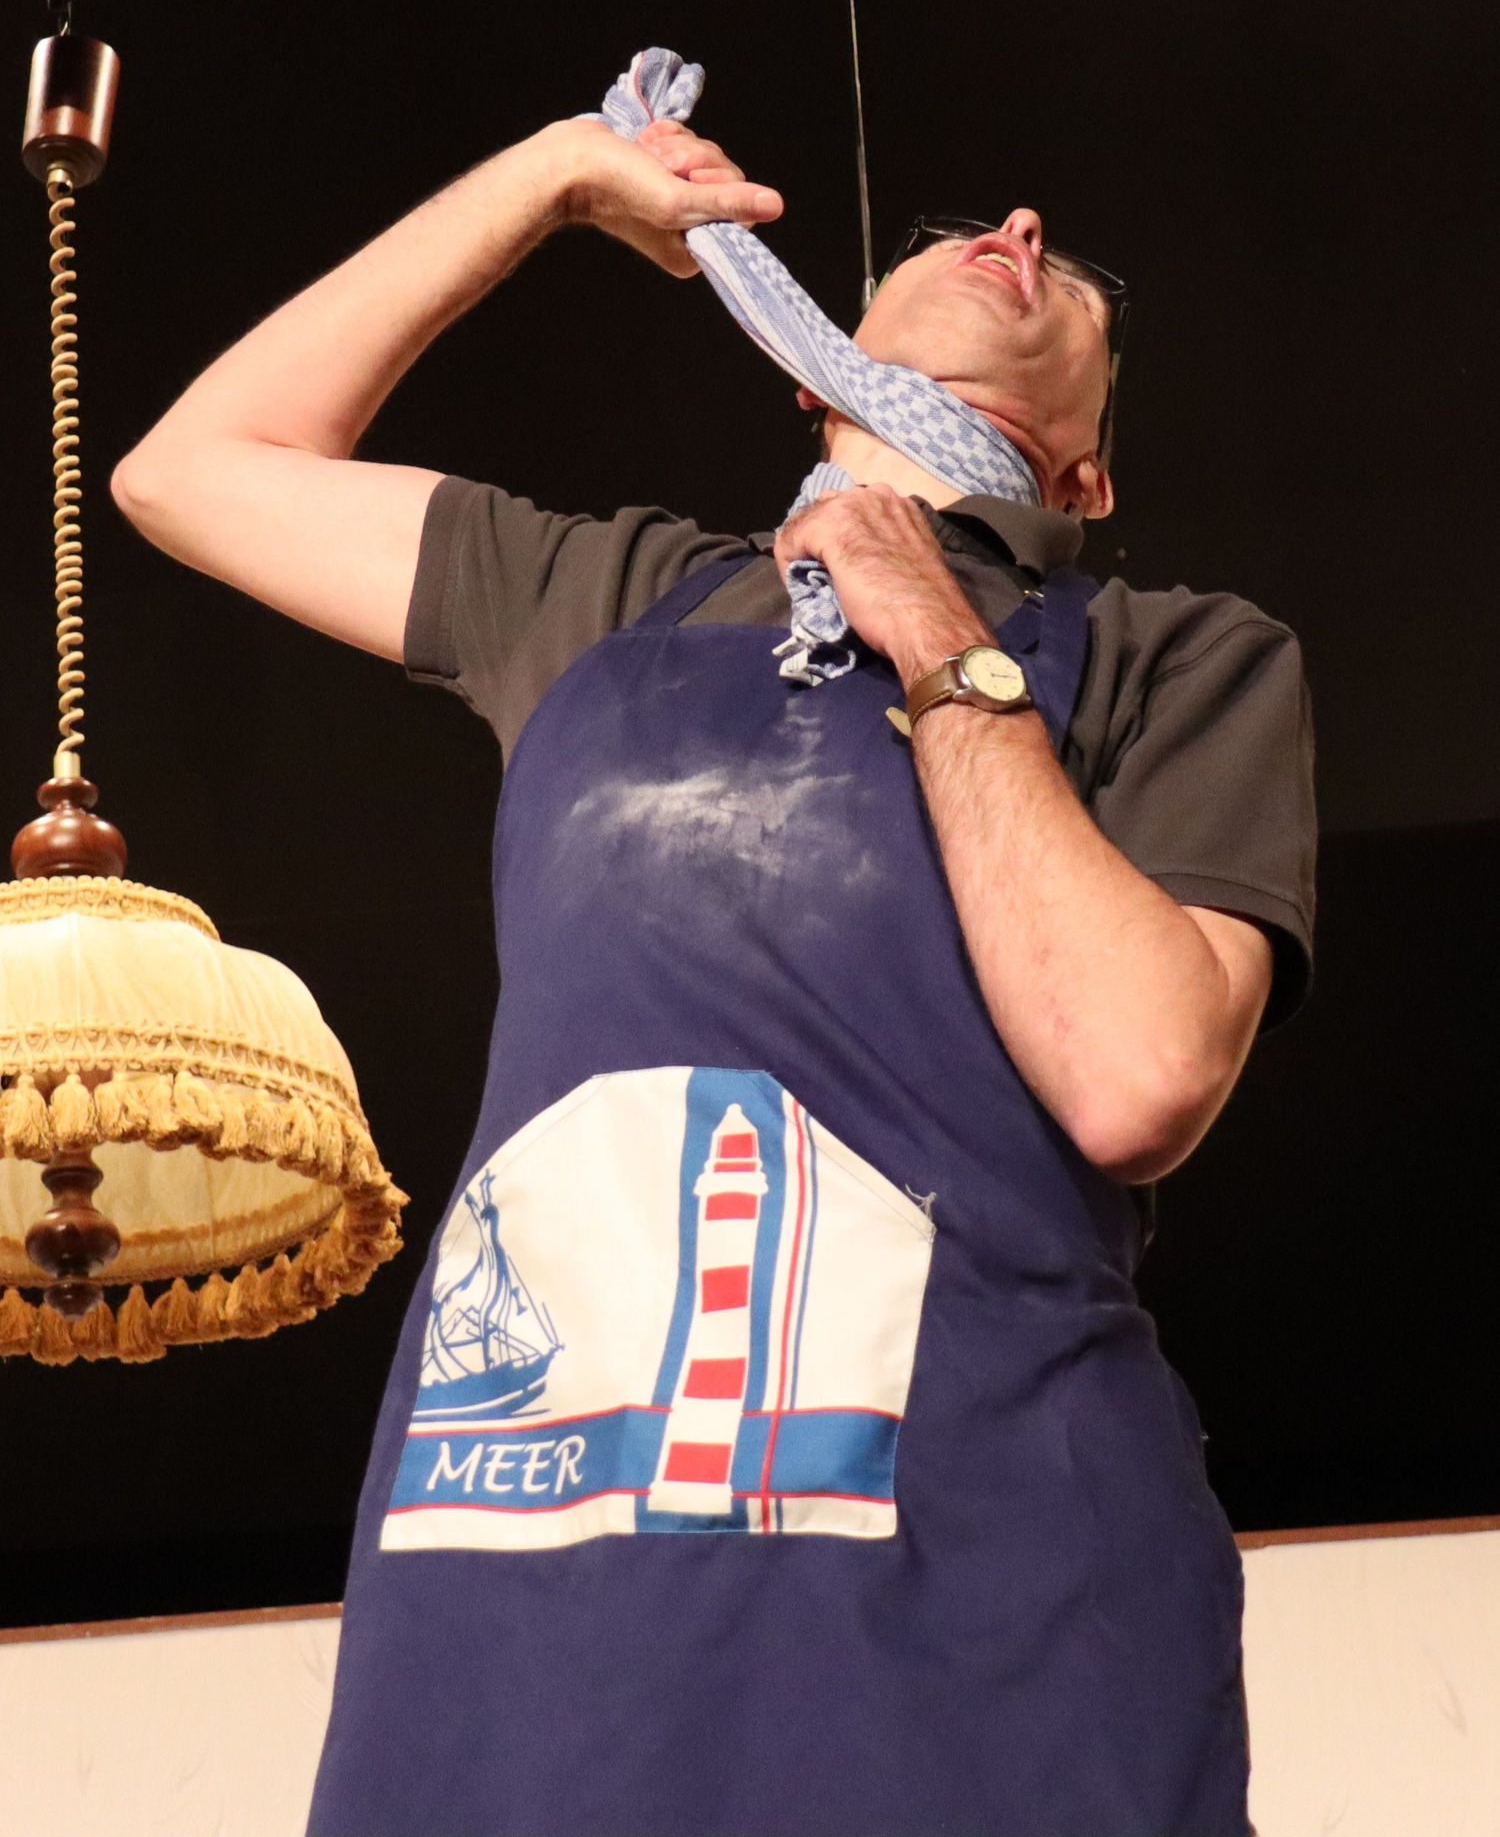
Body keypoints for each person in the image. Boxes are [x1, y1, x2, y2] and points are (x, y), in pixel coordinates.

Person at [112, 95, 1316, 1837]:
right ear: (813, 372)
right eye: (957, 231)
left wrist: (932, 630)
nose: (1022, 230)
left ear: (1087, 480)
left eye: (1075, 278)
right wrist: (550, 178)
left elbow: (1136, 1077)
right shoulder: (606, 598)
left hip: (981, 1568)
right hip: (535, 1559)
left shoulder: (1176, 658)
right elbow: (189, 473)